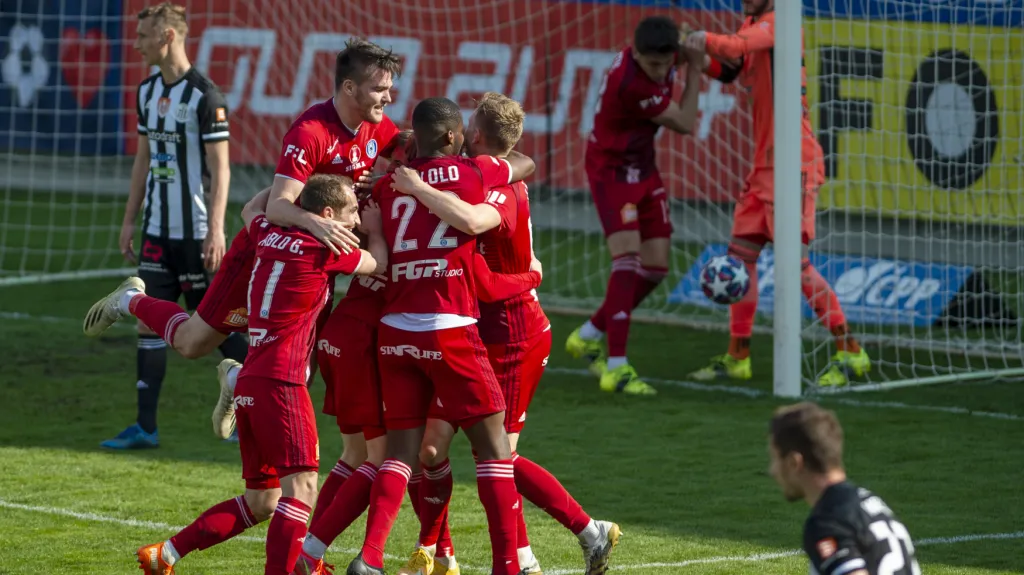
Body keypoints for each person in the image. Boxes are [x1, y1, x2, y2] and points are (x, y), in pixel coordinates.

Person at [295, 132, 548, 575]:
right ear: (452, 138)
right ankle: (514, 560)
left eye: (394, 157)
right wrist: (530, 276)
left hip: (363, 336)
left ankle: (399, 551)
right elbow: (518, 168)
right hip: (420, 332)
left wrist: (381, 190)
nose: (388, 165)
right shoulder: (464, 180)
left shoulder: (376, 194)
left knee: (381, 455)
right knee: (488, 452)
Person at [389, 92, 620, 575]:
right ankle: (438, 550)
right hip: (471, 332)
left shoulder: (497, 190)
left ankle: (578, 535)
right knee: (431, 446)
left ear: (474, 135)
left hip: (513, 332)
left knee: (501, 455)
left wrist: (532, 276)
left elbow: (486, 278)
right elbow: (521, 161)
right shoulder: (484, 170)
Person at [135, 174, 386, 575]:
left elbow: (251, 208)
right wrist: (375, 231)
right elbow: (380, 264)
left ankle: (165, 554)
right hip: (282, 383)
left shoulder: (266, 232)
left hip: (253, 378)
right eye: (352, 211)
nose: (356, 220)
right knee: (302, 491)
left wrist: (287, 185)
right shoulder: (325, 249)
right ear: (326, 215)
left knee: (263, 501)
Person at [684, 0, 870, 386]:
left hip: (795, 164)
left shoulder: (781, 21)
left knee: (796, 267)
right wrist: (697, 57)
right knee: (739, 258)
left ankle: (851, 352)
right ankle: (739, 356)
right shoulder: (753, 21)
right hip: (764, 166)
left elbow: (733, 48)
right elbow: (730, 69)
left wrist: (700, 37)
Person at [90, 1, 246, 450]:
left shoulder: (205, 96)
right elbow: (142, 159)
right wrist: (128, 220)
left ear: (168, 36)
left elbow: (222, 170)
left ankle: (256, 401)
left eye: (143, 36)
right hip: (157, 231)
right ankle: (146, 427)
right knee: (147, 324)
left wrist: (216, 230)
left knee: (213, 329)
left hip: (196, 234)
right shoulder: (146, 92)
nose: (136, 44)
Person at [565, 16, 706, 395]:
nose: (661, 70)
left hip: (643, 167)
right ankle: (617, 365)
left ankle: (589, 332)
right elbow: (686, 122)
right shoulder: (632, 82)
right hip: (612, 171)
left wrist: (701, 50)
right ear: (636, 53)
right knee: (626, 260)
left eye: (667, 63)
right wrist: (694, 68)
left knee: (656, 268)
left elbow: (699, 56)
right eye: (654, 64)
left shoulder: (659, 55)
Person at [768, 402, 921, 574]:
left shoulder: (828, 522)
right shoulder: (870, 503)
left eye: (775, 459)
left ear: (794, 463)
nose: (772, 470)